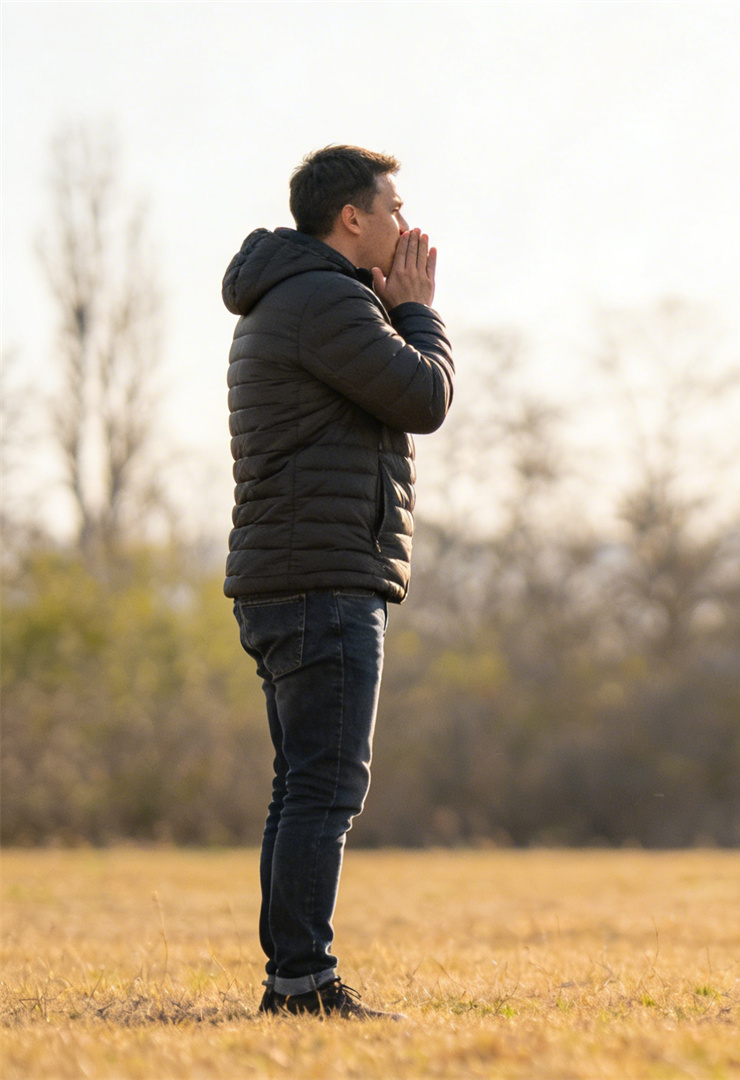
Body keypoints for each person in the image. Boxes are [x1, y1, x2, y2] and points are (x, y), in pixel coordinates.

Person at [221, 145, 453, 1020]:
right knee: (325, 789)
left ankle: (294, 979)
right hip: (322, 583)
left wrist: (390, 308)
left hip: (289, 578)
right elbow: (423, 398)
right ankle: (303, 984)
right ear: (351, 218)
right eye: (393, 208)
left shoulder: (293, 296)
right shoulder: (327, 300)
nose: (405, 224)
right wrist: (418, 311)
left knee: (303, 787)